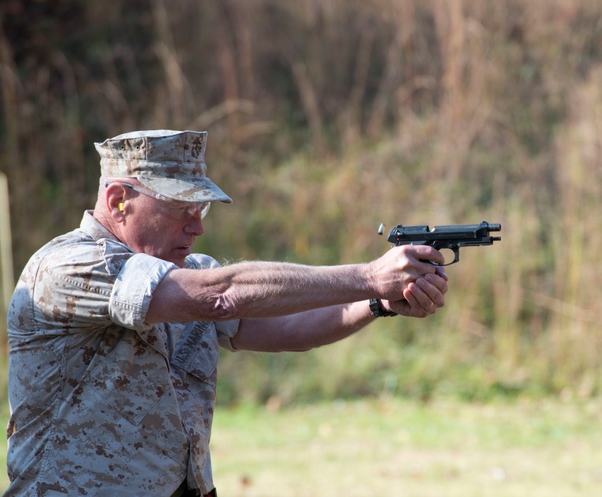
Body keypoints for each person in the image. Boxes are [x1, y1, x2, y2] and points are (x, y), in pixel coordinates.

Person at [5, 129, 449, 496]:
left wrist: (376, 303)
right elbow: (222, 295)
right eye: (181, 210)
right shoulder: (68, 265)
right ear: (119, 199)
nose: (197, 227)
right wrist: (370, 275)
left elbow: (287, 328)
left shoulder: (187, 273)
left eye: (200, 211)